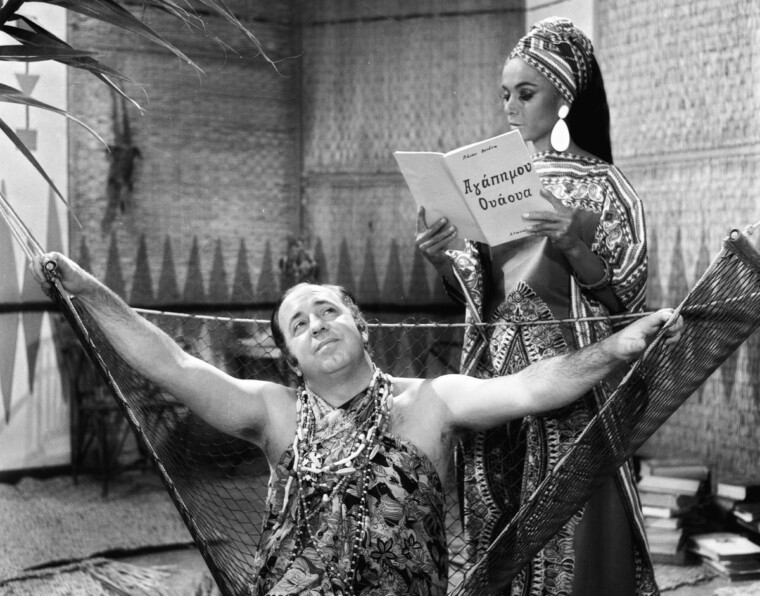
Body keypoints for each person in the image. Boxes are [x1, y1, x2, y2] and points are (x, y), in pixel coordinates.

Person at [33, 252, 677, 596]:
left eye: (328, 311)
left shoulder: (431, 402)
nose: (318, 326)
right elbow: (170, 365)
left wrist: (615, 348)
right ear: (291, 358)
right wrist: (87, 290)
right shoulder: (272, 412)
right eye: (299, 325)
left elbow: (531, 387)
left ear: (361, 326)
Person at [415, 16, 653, 596]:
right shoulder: (489, 181)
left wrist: (573, 241)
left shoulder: (606, 185)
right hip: (499, 384)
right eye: (505, 94)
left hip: (577, 383)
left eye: (526, 93)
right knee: (499, 519)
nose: (511, 107)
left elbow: (628, 296)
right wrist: (442, 257)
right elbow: (480, 290)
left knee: (576, 528)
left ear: (564, 99)